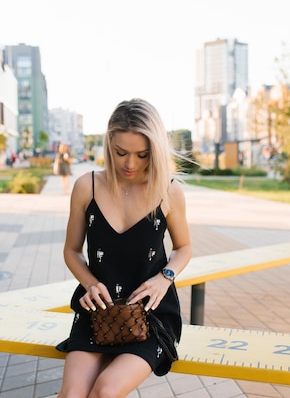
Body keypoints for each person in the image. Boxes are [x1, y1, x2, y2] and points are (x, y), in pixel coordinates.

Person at [56, 98, 192, 397]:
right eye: (121, 153)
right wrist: (89, 283)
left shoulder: (168, 190)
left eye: (142, 155)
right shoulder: (86, 187)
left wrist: (164, 277)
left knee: (106, 391)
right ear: (108, 145)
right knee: (70, 395)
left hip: (151, 313)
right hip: (98, 311)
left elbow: (184, 248)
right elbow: (71, 251)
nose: (130, 164)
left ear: (155, 151)